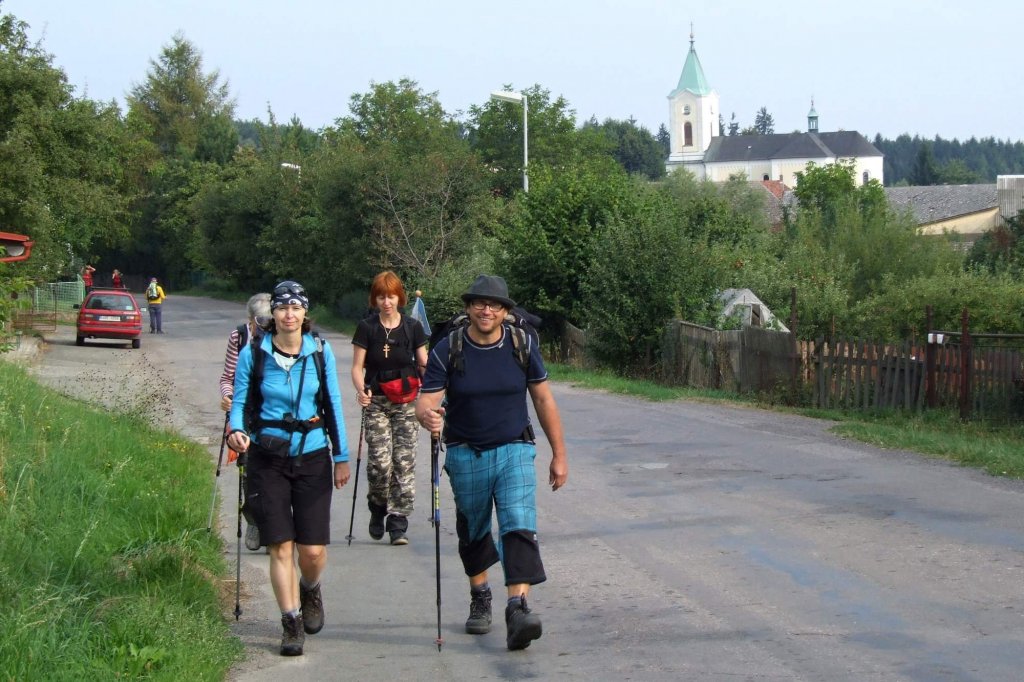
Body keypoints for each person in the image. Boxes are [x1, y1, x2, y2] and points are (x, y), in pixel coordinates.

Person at [415, 274, 568, 651]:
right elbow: (426, 400)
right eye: (480, 303)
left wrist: (559, 454)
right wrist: (427, 416)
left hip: (515, 448)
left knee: (519, 523)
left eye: (495, 305)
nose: (487, 310)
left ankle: (518, 607)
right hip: (466, 452)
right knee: (474, 528)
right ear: (469, 308)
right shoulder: (448, 348)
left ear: (505, 311)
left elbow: (543, 400)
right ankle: (480, 594)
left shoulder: (521, 344)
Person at [227, 281, 350, 657]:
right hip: (267, 457)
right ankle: (291, 621)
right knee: (280, 545)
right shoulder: (254, 353)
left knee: (311, 551)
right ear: (273, 314)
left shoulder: (320, 351)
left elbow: (333, 403)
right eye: (282, 308)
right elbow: (240, 402)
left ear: (304, 313)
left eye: (296, 308)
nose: (289, 314)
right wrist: (236, 430)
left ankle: (310, 589)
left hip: (312, 456)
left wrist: (341, 456)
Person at [351, 271, 428, 546]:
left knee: (403, 462)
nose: (387, 302)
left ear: (400, 298)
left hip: (406, 401)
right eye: (381, 297)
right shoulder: (367, 327)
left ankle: (398, 522)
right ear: (375, 299)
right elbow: (357, 367)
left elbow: (423, 363)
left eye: (391, 296)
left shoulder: (412, 327)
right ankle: (377, 505)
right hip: (377, 402)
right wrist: (361, 391)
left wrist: (432, 394)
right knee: (380, 464)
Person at [219, 293, 272, 551]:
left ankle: (276, 527)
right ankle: (254, 520)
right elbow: (227, 377)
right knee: (249, 471)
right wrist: (228, 397)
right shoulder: (238, 337)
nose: (265, 326)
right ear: (250, 320)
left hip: (272, 412)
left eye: (269, 320)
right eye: (260, 321)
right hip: (246, 412)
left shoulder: (281, 337)